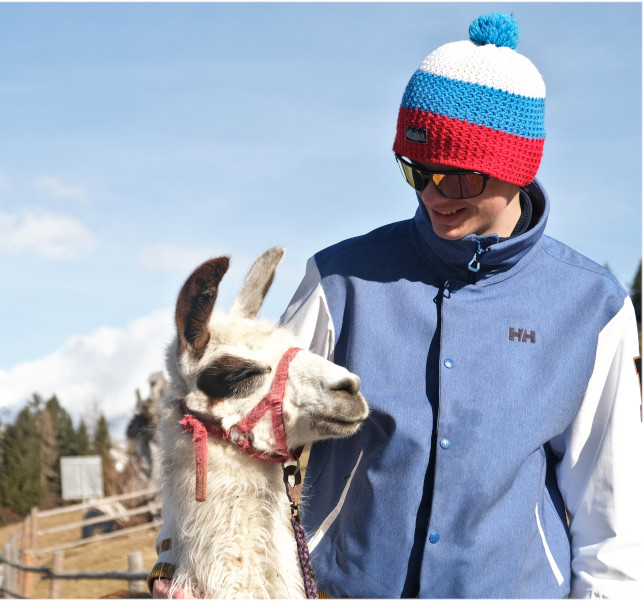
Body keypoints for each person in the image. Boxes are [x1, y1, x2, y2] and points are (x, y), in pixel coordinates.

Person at [150, 12, 643, 598]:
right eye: (416, 171)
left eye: (456, 178)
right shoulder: (341, 280)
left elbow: (611, 520)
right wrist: (176, 559)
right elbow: (232, 424)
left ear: (516, 169)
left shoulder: (590, 307)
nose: (434, 195)